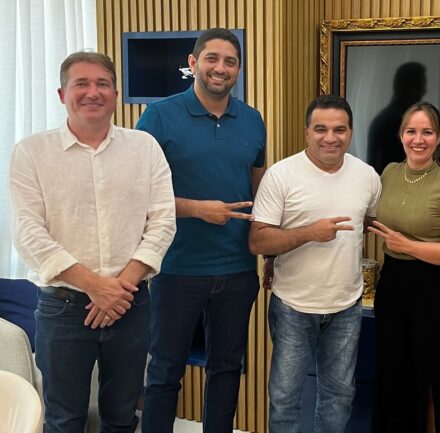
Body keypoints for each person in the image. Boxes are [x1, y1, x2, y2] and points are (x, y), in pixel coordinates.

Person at [8, 51, 176, 432]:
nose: (92, 92)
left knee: (122, 418)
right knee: (63, 420)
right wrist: (95, 286)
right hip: (63, 309)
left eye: (102, 84)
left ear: (115, 93)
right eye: (81, 84)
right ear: (61, 94)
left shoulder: (144, 148)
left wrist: (119, 288)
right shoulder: (32, 153)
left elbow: (163, 221)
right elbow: (28, 232)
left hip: (131, 304)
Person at [136, 28, 267, 433]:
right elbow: (136, 193)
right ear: (193, 63)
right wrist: (197, 209)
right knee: (165, 372)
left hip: (238, 270)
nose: (220, 68)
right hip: (176, 269)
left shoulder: (252, 120)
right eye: (212, 58)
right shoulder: (158, 117)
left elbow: (260, 190)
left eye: (230, 61)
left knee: (227, 369)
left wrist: (271, 250)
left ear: (238, 70)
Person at [249, 95, 381, 433]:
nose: (330, 137)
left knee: (339, 396)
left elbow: (367, 222)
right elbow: (258, 241)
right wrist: (308, 233)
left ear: (351, 132)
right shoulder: (281, 175)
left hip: (346, 306)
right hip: (293, 305)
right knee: (285, 398)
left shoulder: (367, 176)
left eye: (340, 129)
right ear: (306, 132)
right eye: (320, 129)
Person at [368, 102, 440, 433]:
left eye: (427, 132)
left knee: (436, 380)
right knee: (394, 378)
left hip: (436, 291)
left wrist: (409, 246)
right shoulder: (388, 173)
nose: (419, 139)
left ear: (438, 137)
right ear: (400, 135)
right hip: (392, 288)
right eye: (411, 131)